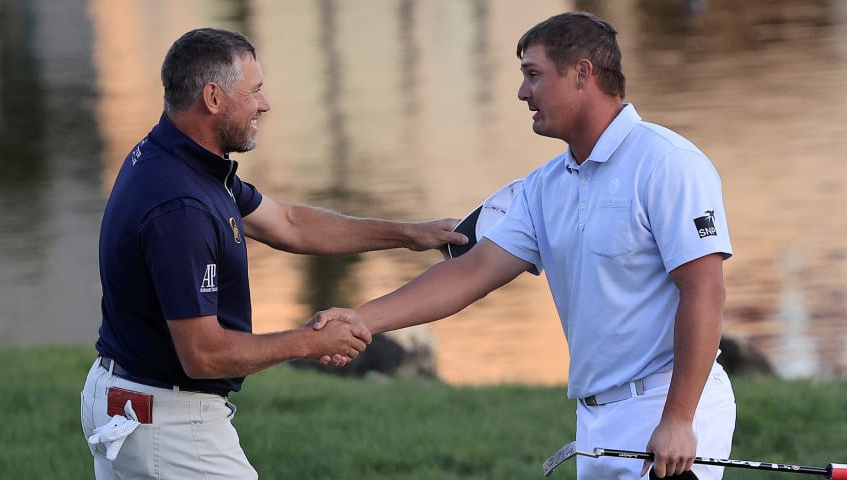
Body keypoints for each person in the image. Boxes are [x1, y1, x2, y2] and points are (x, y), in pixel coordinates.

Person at [312, 11, 736, 480]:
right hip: (595, 420)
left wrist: (678, 418)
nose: (522, 93)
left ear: (581, 74)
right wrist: (360, 320)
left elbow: (705, 291)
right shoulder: (544, 186)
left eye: (533, 75)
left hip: (669, 404)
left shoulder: (666, 163)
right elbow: (469, 274)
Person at [80, 27, 467, 479]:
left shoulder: (179, 158)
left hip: (123, 397)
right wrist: (310, 342)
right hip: (169, 422)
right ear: (213, 98)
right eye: (255, 91)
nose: (264, 104)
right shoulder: (180, 207)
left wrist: (408, 234)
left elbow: (289, 224)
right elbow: (203, 356)